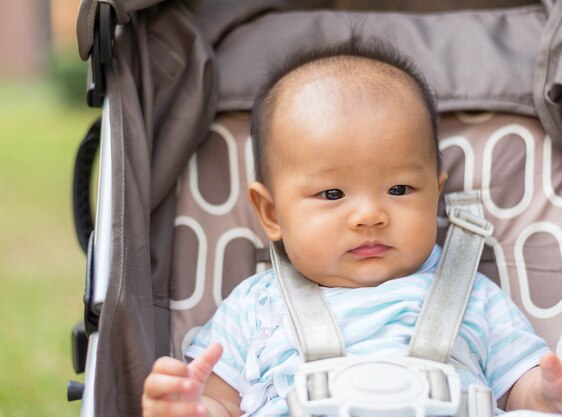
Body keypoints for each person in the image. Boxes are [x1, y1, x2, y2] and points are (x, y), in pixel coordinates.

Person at [142, 35, 562, 417]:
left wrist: (544, 394)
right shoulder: (254, 307)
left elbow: (518, 390)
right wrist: (190, 406)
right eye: (332, 194)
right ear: (270, 214)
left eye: (399, 188)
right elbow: (220, 401)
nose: (369, 216)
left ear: (436, 194)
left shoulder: (472, 295)